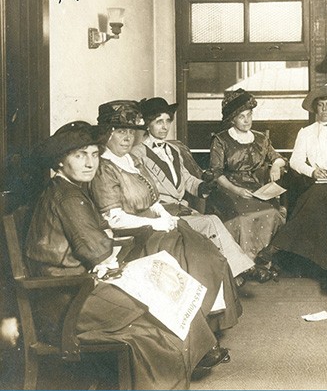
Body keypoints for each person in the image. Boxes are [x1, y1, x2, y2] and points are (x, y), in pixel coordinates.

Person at [25, 121, 235, 389]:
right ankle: (183, 364)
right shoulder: (68, 198)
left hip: (77, 289)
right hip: (68, 300)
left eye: (93, 154)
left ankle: (193, 355)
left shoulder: (69, 190)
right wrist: (107, 258)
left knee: (161, 282)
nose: (90, 163)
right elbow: (98, 249)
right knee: (157, 302)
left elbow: (99, 242)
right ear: (60, 162)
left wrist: (109, 255)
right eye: (79, 155)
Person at [88, 101, 241, 355]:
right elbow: (114, 218)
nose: (126, 137)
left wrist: (162, 216)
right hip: (133, 239)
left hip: (153, 228)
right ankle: (195, 342)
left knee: (207, 254)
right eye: (119, 131)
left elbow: (153, 197)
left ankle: (204, 330)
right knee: (191, 260)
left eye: (129, 131)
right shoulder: (105, 167)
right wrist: (155, 222)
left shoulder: (129, 160)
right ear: (106, 133)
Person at [131, 97, 261, 283]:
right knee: (211, 222)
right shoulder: (138, 154)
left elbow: (186, 179)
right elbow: (143, 192)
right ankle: (238, 270)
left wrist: (204, 186)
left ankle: (234, 272)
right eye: (159, 121)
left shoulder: (172, 150)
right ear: (147, 124)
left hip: (181, 209)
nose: (165, 126)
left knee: (212, 222)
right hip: (161, 213)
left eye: (168, 121)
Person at [257, 85, 327, 275]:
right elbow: (295, 161)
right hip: (319, 179)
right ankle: (324, 267)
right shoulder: (306, 132)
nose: (324, 109)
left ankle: (278, 244)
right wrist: (312, 172)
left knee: (317, 198)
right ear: (315, 108)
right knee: (319, 195)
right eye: (320, 105)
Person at [206, 89, 286, 263]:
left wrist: (276, 166)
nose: (247, 120)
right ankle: (244, 263)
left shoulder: (260, 139)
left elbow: (278, 158)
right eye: (241, 116)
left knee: (272, 212)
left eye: (249, 115)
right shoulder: (220, 140)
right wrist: (236, 189)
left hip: (257, 188)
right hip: (228, 188)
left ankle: (263, 261)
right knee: (242, 217)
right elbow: (216, 173)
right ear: (232, 119)